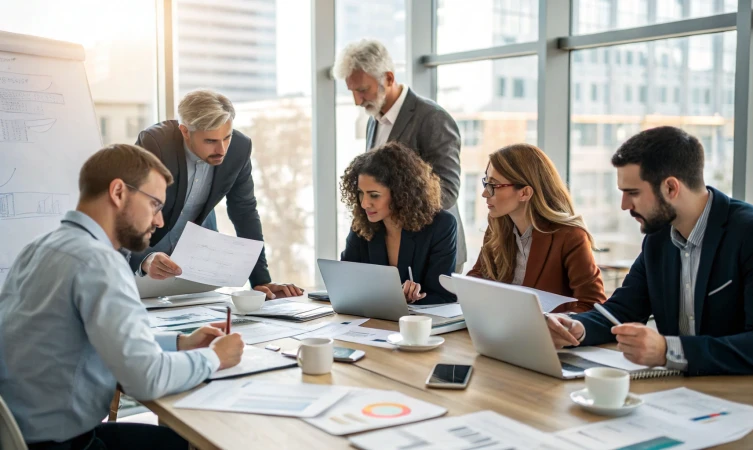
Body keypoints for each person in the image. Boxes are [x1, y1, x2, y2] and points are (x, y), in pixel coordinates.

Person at [0, 144, 245, 449]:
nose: (159, 221)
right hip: (63, 443)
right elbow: (146, 378)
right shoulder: (98, 261)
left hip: (21, 435)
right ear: (118, 192)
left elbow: (92, 339)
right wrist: (215, 357)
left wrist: (180, 343)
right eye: (155, 205)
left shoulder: (39, 248)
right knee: (200, 443)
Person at [546, 126, 753, 376]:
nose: (624, 206)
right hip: (684, 392)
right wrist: (576, 327)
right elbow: (621, 312)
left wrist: (669, 350)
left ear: (670, 188)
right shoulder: (659, 239)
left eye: (632, 193)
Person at [131, 89, 301, 299]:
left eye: (226, 137)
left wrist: (261, 280)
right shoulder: (155, 143)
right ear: (185, 131)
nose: (221, 149)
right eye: (210, 141)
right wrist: (143, 259)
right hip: (147, 261)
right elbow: (131, 209)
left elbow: (244, 212)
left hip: (197, 263)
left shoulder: (239, 147)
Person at [333, 39, 467, 273]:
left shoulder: (432, 118)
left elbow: (448, 190)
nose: (357, 100)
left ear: (389, 78)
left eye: (363, 90)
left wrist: (400, 213)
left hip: (431, 252)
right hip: (391, 251)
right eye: (352, 91)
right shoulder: (373, 119)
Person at [467, 143, 605, 313]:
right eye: (486, 183)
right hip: (502, 329)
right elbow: (476, 279)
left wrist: (558, 323)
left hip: (549, 335)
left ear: (524, 193)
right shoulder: (497, 227)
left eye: (494, 186)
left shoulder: (571, 236)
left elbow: (592, 304)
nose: (485, 193)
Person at [340, 142, 457, 305]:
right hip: (373, 322)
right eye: (361, 193)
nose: (365, 203)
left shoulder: (441, 225)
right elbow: (344, 281)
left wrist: (414, 298)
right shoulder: (362, 224)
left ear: (400, 193)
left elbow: (444, 295)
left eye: (374, 195)